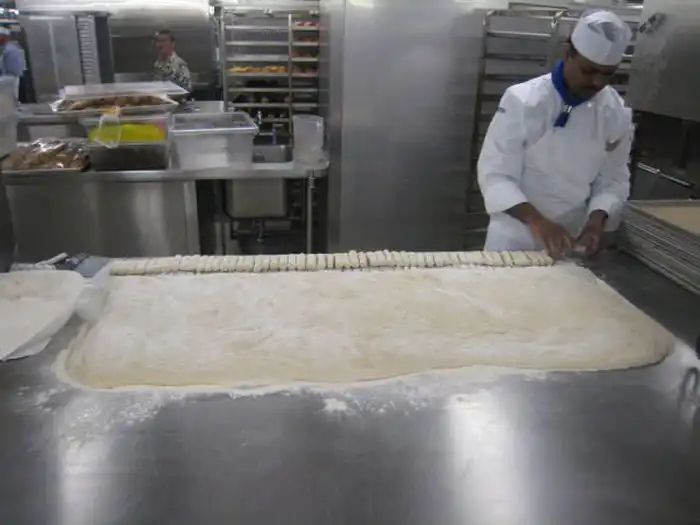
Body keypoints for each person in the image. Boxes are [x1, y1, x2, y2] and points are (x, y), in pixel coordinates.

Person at [477, 10, 633, 259]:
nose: (597, 82)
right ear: (567, 53)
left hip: (570, 241)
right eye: (588, 71)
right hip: (515, 238)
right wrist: (538, 222)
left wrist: (595, 222)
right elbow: (495, 175)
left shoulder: (616, 113)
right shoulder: (522, 101)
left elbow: (613, 179)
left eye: (607, 74)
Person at [0, 27, 25, 101]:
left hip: (10, 76)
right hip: (7, 76)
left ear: (5, 37)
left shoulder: (10, 49)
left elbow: (13, 68)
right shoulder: (6, 48)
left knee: (10, 97)